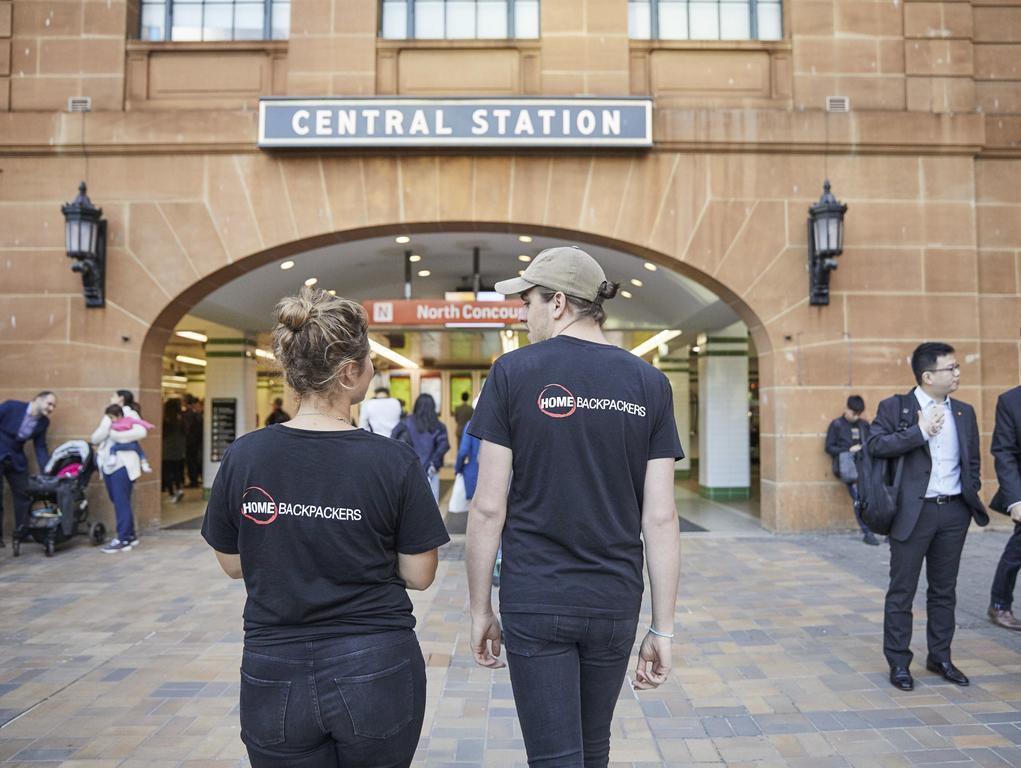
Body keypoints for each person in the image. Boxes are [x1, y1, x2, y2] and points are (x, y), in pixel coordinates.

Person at [201, 287, 449, 768]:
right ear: (350, 372)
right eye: (370, 360)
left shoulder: (245, 455)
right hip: (376, 663)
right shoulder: (393, 461)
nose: (374, 369)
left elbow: (232, 564)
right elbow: (420, 574)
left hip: (274, 668)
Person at [465, 246, 684, 767]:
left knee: (553, 757)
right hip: (614, 600)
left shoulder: (512, 373)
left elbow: (488, 507)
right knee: (593, 749)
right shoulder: (649, 383)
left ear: (558, 302)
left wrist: (479, 610)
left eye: (528, 303)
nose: (523, 315)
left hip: (536, 597)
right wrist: (663, 628)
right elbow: (660, 518)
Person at [868, 342, 988, 692]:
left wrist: (969, 492)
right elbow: (876, 445)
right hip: (911, 513)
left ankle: (940, 657)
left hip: (953, 512)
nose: (957, 373)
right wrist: (918, 432)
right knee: (902, 591)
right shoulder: (895, 407)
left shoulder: (964, 411)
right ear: (927, 375)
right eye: (951, 368)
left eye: (957, 367)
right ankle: (899, 663)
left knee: (944, 590)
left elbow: (973, 462)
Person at [92, 390, 149, 553]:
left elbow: (141, 432)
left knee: (121, 501)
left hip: (122, 465)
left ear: (121, 399)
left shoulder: (130, 414)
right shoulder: (110, 414)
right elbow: (96, 438)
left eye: (114, 396)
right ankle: (129, 535)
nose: (111, 398)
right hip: (109, 465)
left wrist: (115, 434)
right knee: (118, 500)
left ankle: (123, 538)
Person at [0, 392, 56, 546]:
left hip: (16, 456)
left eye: (53, 406)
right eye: (49, 403)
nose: (51, 408)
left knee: (24, 494)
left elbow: (40, 447)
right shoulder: (11, 406)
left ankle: (22, 532)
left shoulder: (43, 422)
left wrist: (47, 470)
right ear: (38, 400)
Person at [988, 384, 1021, 631]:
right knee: (1017, 550)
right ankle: (999, 604)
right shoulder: (1010, 401)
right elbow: (1004, 452)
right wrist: (1016, 500)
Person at [825, 395, 878, 545]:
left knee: (873, 499)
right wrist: (848, 449)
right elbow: (829, 447)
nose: (855, 416)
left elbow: (872, 443)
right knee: (858, 500)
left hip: (865, 467)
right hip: (848, 469)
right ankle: (867, 531)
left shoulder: (864, 425)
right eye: (853, 412)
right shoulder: (836, 425)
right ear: (846, 408)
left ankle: (878, 530)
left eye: (858, 414)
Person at [392, 394, 449, 502]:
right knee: (432, 503)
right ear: (433, 407)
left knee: (410, 504)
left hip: (410, 470)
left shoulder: (405, 422)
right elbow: (444, 445)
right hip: (431, 470)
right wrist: (433, 462)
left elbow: (394, 438)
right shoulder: (439, 426)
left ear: (417, 405)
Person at [161, 399, 187, 503]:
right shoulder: (181, 419)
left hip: (167, 450)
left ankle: (171, 492)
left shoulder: (165, 420)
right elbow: (186, 433)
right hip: (179, 450)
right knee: (178, 471)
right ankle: (179, 489)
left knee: (167, 471)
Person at [183, 395, 203, 488]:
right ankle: (195, 479)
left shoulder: (188, 415)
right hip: (196, 443)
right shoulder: (198, 415)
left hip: (191, 444)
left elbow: (188, 430)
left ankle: (193, 480)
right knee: (195, 462)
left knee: (192, 462)